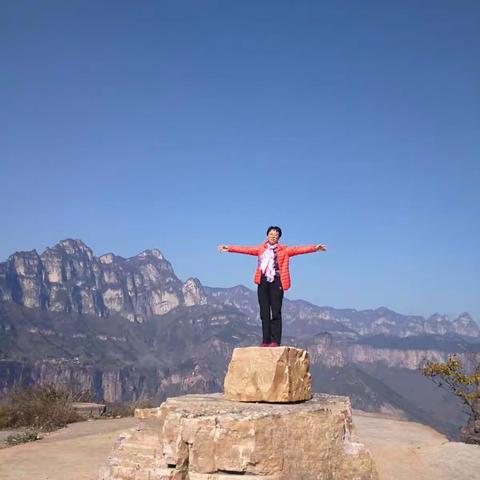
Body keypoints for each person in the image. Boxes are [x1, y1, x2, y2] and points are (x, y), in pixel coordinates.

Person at [218, 226, 326, 347]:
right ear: (267, 236)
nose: (273, 236)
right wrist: (229, 248)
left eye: (276, 235)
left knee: (275, 312)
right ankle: (265, 340)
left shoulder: (284, 250)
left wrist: (315, 248)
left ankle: (275, 341)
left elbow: (299, 249)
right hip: (263, 281)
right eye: (271, 234)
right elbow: (246, 250)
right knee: (264, 312)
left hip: (277, 281)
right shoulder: (261, 249)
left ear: (279, 237)